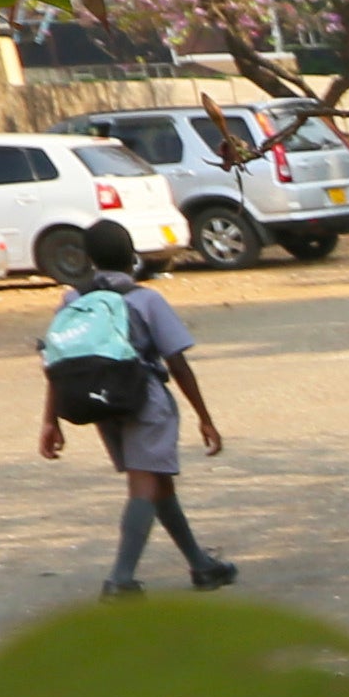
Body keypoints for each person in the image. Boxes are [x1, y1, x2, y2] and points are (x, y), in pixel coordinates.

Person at [37, 252, 230, 597]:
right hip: (143, 400)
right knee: (144, 485)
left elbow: (57, 361)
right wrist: (205, 418)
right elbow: (177, 362)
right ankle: (120, 579)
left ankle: (201, 565)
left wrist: (51, 420)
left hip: (100, 401)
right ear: (132, 259)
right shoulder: (145, 300)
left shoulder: (72, 300)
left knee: (158, 481)